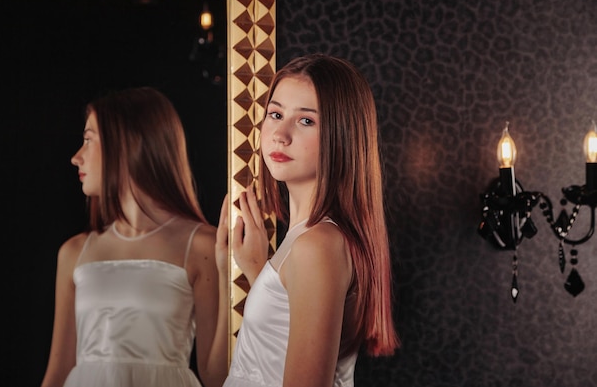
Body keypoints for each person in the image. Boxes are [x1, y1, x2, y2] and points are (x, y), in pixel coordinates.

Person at [217, 54, 399, 387]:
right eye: (275, 114)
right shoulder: (309, 240)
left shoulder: (318, 245)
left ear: (342, 135)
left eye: (306, 121)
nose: (280, 134)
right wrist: (261, 273)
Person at [40, 87, 228, 387]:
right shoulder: (74, 252)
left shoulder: (202, 245)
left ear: (127, 143)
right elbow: (58, 372)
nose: (76, 157)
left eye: (88, 140)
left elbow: (217, 377)